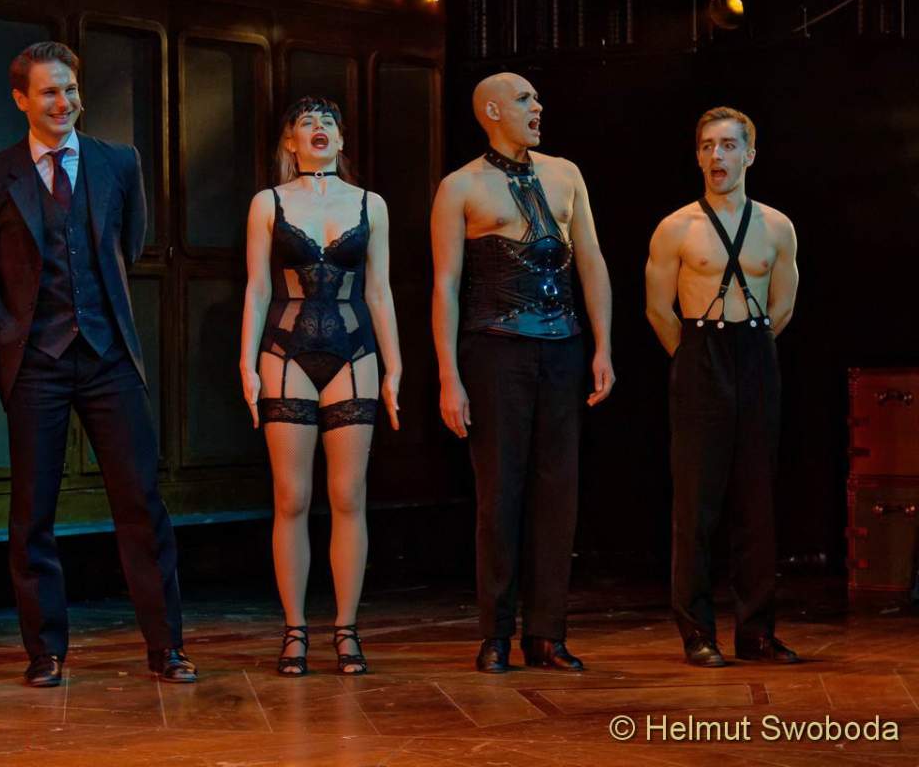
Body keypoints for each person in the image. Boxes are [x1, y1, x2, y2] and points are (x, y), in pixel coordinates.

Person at [0, 41, 195, 686]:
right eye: (49, 92)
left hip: (109, 355)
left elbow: (129, 246)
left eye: (70, 90)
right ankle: (45, 652)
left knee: (141, 502)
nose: (63, 103)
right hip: (36, 362)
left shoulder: (119, 162)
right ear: (21, 100)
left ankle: (166, 647)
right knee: (33, 511)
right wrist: (21, 319)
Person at [431, 73, 614, 673]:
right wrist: (448, 375)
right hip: (494, 350)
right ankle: (496, 634)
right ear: (491, 110)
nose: (538, 105)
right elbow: (446, 284)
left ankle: (547, 634)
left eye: (536, 97)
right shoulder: (460, 186)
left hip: (563, 348)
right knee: (499, 494)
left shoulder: (566, 173)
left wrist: (603, 347)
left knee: (558, 492)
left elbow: (591, 259)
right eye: (524, 98)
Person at [239, 97, 401, 676]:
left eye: (328, 121)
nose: (319, 129)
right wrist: (246, 363)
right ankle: (295, 630)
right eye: (307, 122)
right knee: (292, 497)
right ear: (290, 141)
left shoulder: (370, 204)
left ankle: (347, 629)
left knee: (349, 495)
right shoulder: (269, 202)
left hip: (354, 352)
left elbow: (378, 290)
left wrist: (395, 367)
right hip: (285, 352)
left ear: (341, 138)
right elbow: (258, 288)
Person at [645, 106, 800, 667]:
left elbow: (783, 305)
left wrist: (749, 352)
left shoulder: (777, 227)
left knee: (756, 502)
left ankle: (756, 632)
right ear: (698, 156)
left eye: (729, 145)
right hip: (699, 354)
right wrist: (694, 360)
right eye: (708, 145)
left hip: (755, 352)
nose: (718, 155)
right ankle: (697, 631)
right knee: (696, 504)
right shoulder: (676, 227)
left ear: (749, 155)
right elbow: (657, 310)